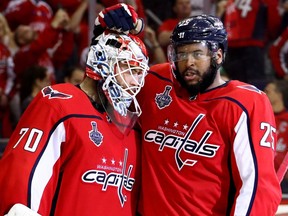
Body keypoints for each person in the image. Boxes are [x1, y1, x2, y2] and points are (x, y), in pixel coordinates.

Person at [95, 4, 282, 215]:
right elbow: (103, 101)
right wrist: (108, 36)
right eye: (181, 55)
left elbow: (257, 185)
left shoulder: (245, 102)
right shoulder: (155, 81)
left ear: (218, 55)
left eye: (197, 54)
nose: (188, 63)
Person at [0, 29, 149, 215]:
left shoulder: (134, 127)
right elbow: (22, 178)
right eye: (129, 70)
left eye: (139, 73)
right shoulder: (59, 103)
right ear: (103, 64)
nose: (136, 82)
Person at [264, 79, 288, 194]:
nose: (264, 93)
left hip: (282, 180)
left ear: (279, 95)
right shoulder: (259, 117)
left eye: (268, 91)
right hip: (260, 176)